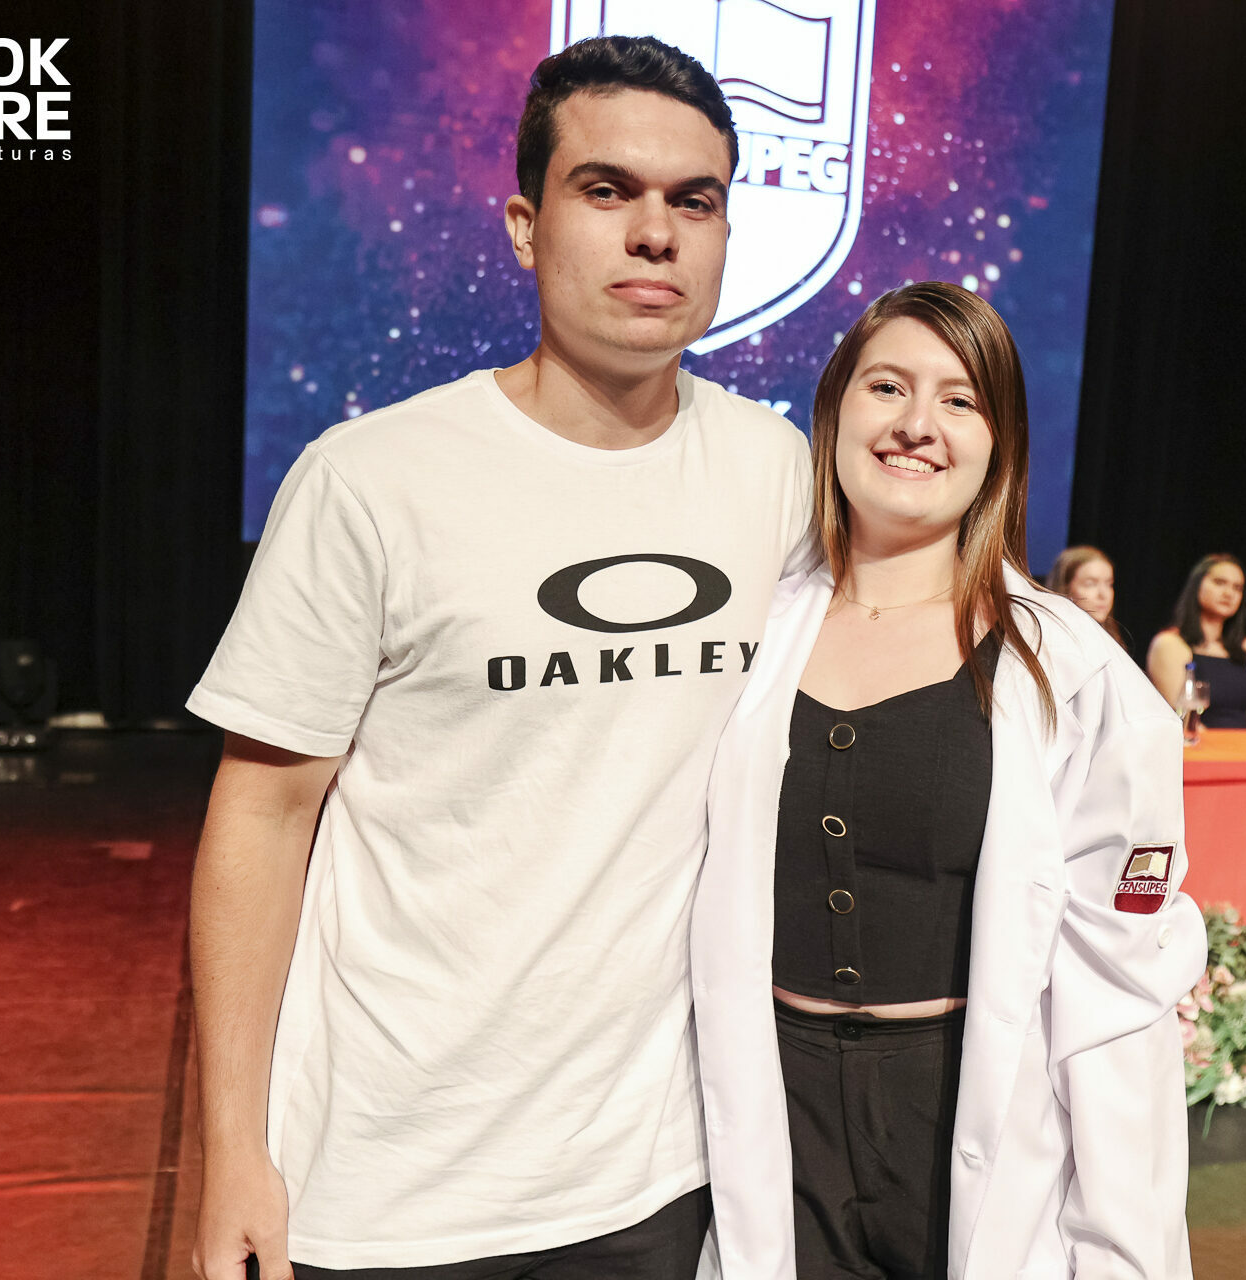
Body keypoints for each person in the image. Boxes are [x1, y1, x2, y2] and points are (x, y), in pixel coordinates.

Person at [185, 37, 813, 1280]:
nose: (656, 233)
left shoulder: (776, 472)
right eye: (607, 189)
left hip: (654, 1176)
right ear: (527, 227)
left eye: (694, 201)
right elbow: (261, 815)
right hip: (386, 1184)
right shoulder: (370, 480)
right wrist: (232, 1150)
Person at [690, 283, 1205, 1280]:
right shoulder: (749, 631)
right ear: (834, 410)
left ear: (999, 443)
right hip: (773, 1114)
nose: (917, 424)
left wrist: (1127, 1250)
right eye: (887, 386)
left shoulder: (1075, 672)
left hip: (965, 1117)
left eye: (959, 400)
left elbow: (1116, 996)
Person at [1146, 554, 1246, 730]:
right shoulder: (1170, 643)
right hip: (1199, 744)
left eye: (1237, 588)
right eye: (1219, 583)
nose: (1228, 593)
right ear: (1197, 585)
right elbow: (1183, 720)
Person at [1046, 544, 1127, 648]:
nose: (1103, 595)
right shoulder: (1053, 641)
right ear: (1065, 588)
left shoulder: (1110, 641)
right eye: (1090, 584)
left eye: (1109, 584)